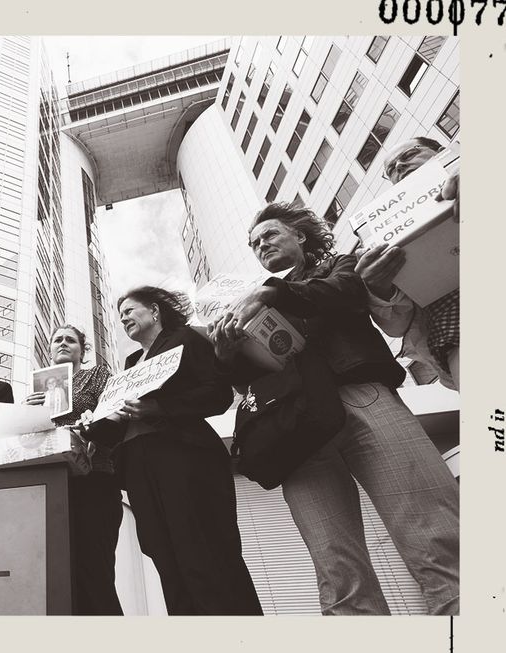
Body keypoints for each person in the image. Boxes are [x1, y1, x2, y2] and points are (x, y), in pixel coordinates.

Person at [211, 202, 459, 615]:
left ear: (300, 236)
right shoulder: (252, 305)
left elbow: (345, 293)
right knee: (337, 571)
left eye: (269, 235)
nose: (261, 246)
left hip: (360, 394)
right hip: (296, 424)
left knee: (434, 533)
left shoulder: (336, 266)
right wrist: (225, 352)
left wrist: (270, 292)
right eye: (254, 244)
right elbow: (249, 377)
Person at [85, 288, 263, 616]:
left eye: (130, 310)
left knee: (203, 550)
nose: (123, 317)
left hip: (185, 458)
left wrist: (157, 407)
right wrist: (96, 423)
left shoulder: (185, 339)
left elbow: (217, 394)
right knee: (163, 554)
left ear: (154, 311)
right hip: (139, 467)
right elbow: (116, 424)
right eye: (120, 314)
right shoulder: (127, 366)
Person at [23, 325, 123, 615]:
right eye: (57, 340)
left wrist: (86, 422)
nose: (63, 343)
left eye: (71, 340)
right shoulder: (36, 389)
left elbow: (114, 417)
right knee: (57, 575)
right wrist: (29, 412)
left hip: (93, 480)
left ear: (83, 349)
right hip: (50, 484)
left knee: (94, 572)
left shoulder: (97, 375)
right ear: (49, 350)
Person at [355, 136, 460, 390]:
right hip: (458, 331)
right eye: (391, 170)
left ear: (440, 152)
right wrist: (380, 289)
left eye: (410, 154)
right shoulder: (381, 238)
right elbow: (398, 326)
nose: (399, 166)